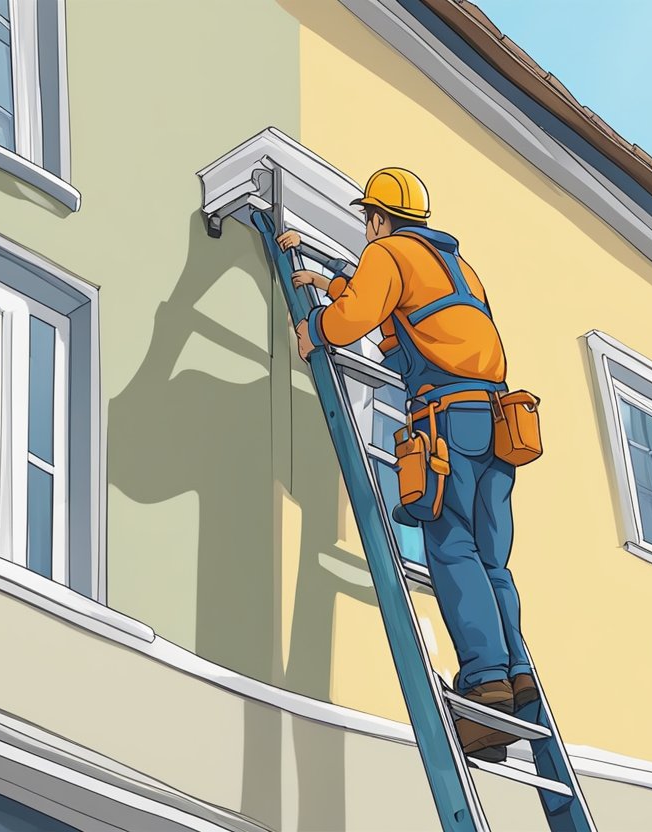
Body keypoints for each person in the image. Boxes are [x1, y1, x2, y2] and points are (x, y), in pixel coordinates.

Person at [277, 167, 534, 762]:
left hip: (446, 417)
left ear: (377, 218)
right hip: (498, 421)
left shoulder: (388, 252)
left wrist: (314, 326)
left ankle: (485, 683)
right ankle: (516, 673)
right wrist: (334, 278)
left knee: (451, 547)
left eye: (367, 220)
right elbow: (415, 312)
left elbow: (353, 320)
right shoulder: (457, 267)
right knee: (493, 557)